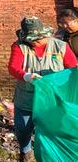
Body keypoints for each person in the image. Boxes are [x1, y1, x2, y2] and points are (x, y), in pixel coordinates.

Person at [8, 16, 77, 162]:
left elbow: (72, 70)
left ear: (45, 35)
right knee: (23, 129)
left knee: (50, 132)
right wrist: (26, 76)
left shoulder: (60, 46)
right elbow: (13, 67)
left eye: (37, 38)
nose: (34, 42)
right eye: (31, 39)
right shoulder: (20, 46)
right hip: (27, 99)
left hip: (52, 101)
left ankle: (49, 157)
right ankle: (25, 153)